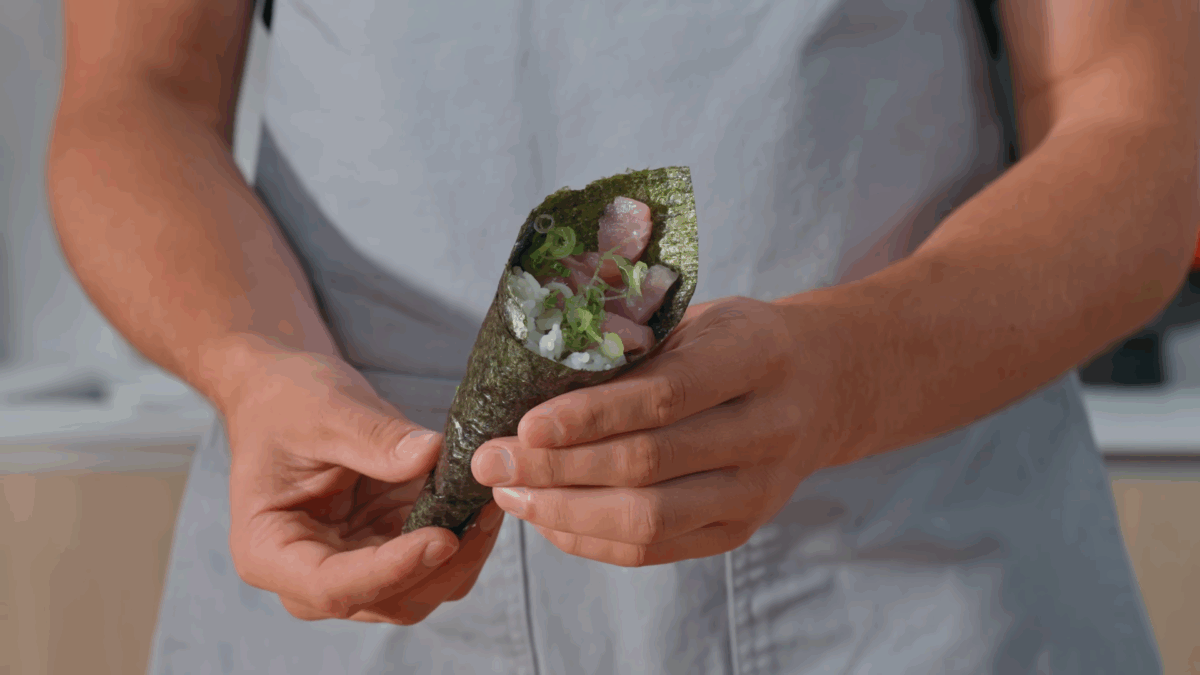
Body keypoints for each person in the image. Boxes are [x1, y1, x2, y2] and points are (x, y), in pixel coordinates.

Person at [45, 0, 1194, 672]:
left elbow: (1143, 130)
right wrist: (256, 365)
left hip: (909, 588)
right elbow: (132, 100)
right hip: (356, 583)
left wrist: (843, 380)